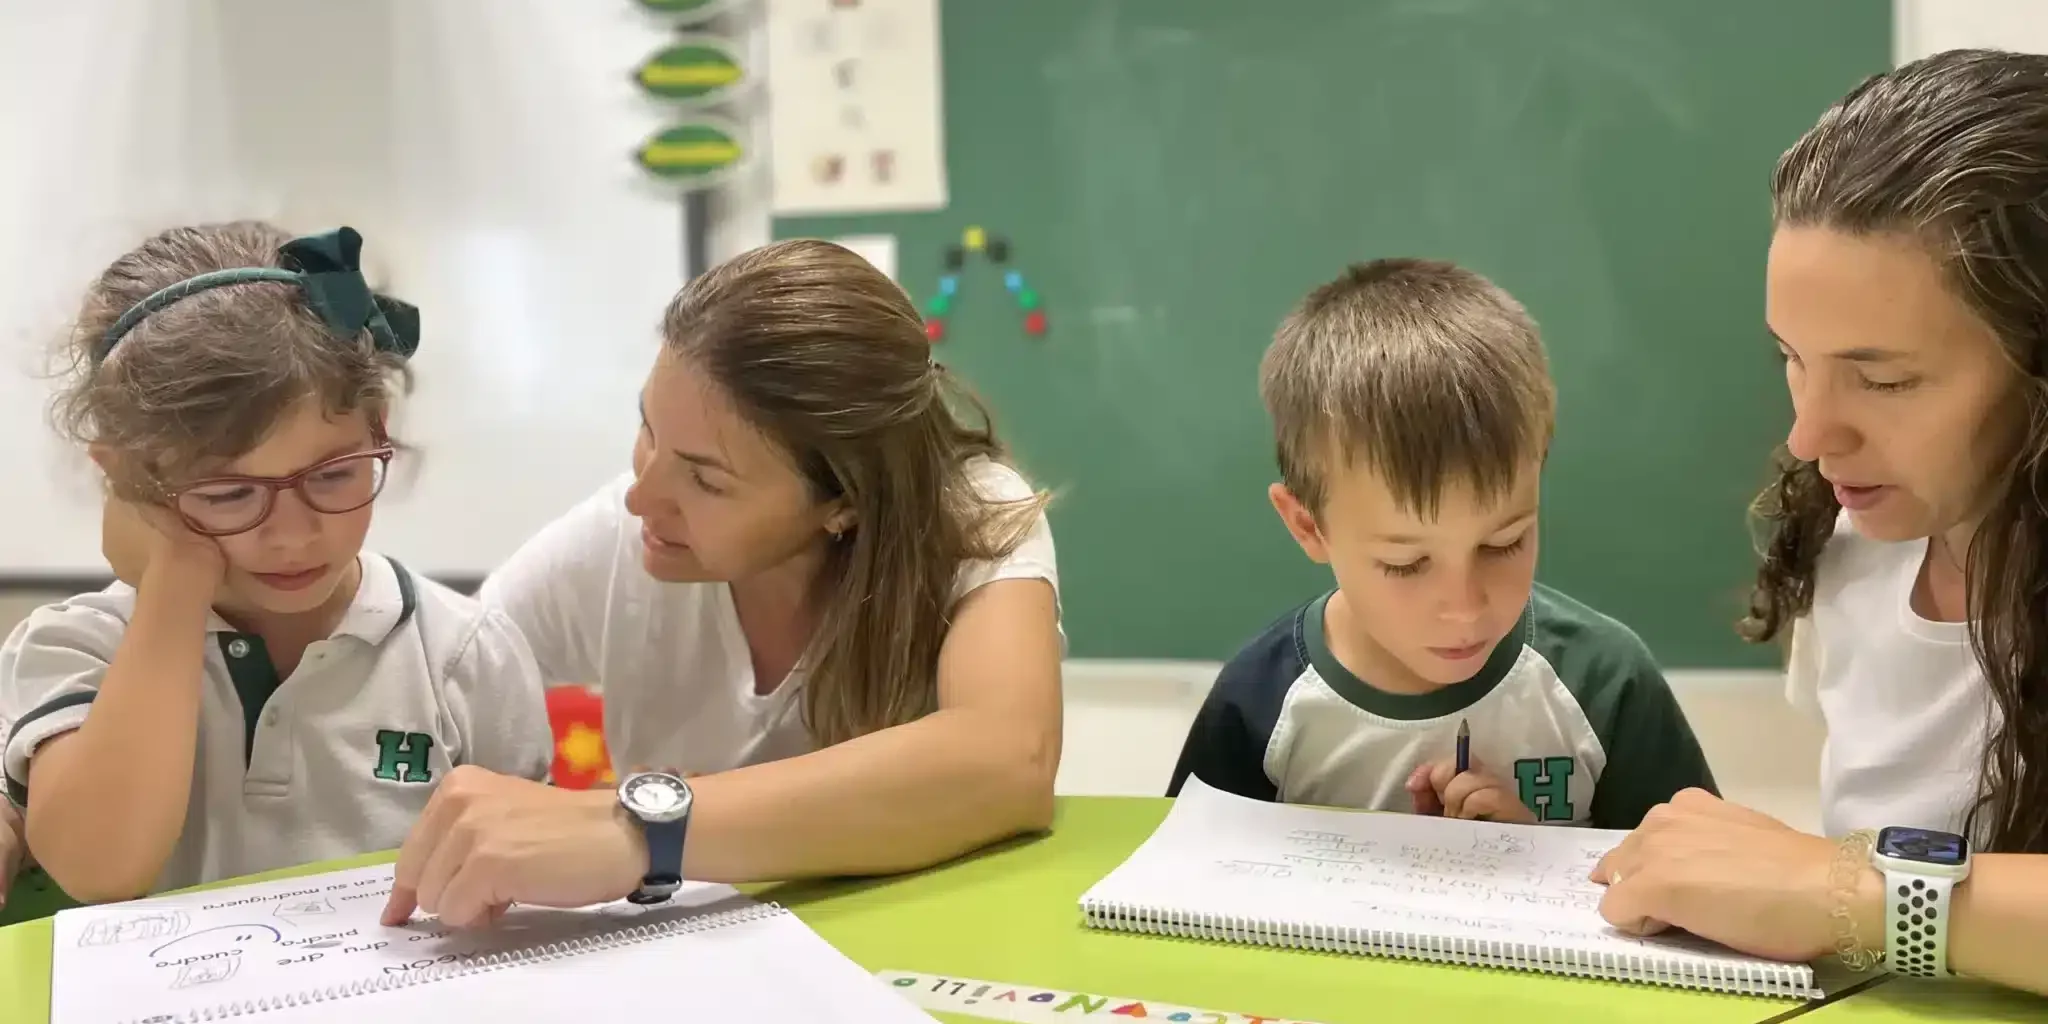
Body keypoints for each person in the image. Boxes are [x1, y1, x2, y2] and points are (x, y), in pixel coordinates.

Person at [378, 239, 1063, 929]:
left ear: (845, 503)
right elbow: (449, 674)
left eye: (706, 480)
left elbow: (1007, 760)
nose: (642, 498)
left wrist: (638, 831)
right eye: (647, 430)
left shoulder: (969, 518)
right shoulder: (625, 537)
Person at [1591, 49, 2048, 997]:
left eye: (1883, 380)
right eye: (1791, 359)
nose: (1808, 434)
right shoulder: (1852, 553)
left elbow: (1845, 895)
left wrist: (1847, 888)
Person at [0, 222, 552, 903]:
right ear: (127, 481)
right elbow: (99, 870)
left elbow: (524, 887)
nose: (293, 536)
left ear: (379, 429)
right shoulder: (76, 647)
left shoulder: (465, 654)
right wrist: (175, 577)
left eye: (333, 476)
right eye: (229, 494)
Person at [1167, 259, 1716, 830]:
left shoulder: (1606, 685)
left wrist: (1536, 861)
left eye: (1504, 543)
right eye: (1405, 564)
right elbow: (1176, 896)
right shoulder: (1260, 704)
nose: (1466, 607)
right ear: (1308, 526)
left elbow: (1702, 895)